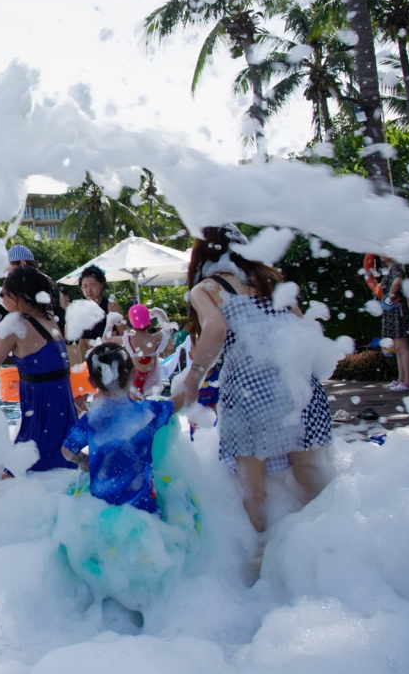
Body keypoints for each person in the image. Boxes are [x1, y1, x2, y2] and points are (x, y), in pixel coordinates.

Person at [181, 225, 332, 533]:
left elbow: (215, 328)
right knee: (313, 479)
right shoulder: (272, 280)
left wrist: (194, 377)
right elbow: (302, 328)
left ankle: (259, 563)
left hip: (251, 391)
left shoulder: (209, 287)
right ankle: (329, 548)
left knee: (253, 491)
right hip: (299, 385)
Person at [62, 343, 198, 512]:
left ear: (91, 382)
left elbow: (67, 452)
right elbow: (176, 402)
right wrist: (190, 387)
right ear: (134, 374)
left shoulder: (90, 421)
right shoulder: (148, 413)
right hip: (142, 510)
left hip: (100, 509)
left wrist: (83, 460)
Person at [0, 265, 77, 474]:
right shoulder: (48, 319)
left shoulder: (16, 325)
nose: (1, 298)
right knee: (60, 459)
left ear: (14, 298)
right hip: (61, 400)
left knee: (26, 465)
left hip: (40, 402)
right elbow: (32, 345)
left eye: (3, 294)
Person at [121, 304, 176, 398]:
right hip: (152, 381)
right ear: (149, 322)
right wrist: (159, 313)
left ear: (131, 321)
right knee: (151, 408)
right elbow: (168, 330)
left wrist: (111, 322)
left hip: (134, 381)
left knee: (136, 409)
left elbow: (105, 338)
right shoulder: (156, 338)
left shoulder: (128, 339)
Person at [378, 256, 409, 391]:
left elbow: (398, 281)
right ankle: (401, 379)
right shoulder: (389, 269)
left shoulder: (397, 268)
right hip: (392, 312)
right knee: (398, 348)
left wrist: (390, 296)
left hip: (398, 311)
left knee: (403, 347)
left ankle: (408, 381)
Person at [75, 264, 123, 350]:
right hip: (88, 357)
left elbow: (125, 335)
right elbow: (80, 341)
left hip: (110, 355)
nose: (88, 290)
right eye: (84, 287)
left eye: (92, 286)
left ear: (101, 284)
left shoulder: (111, 306)